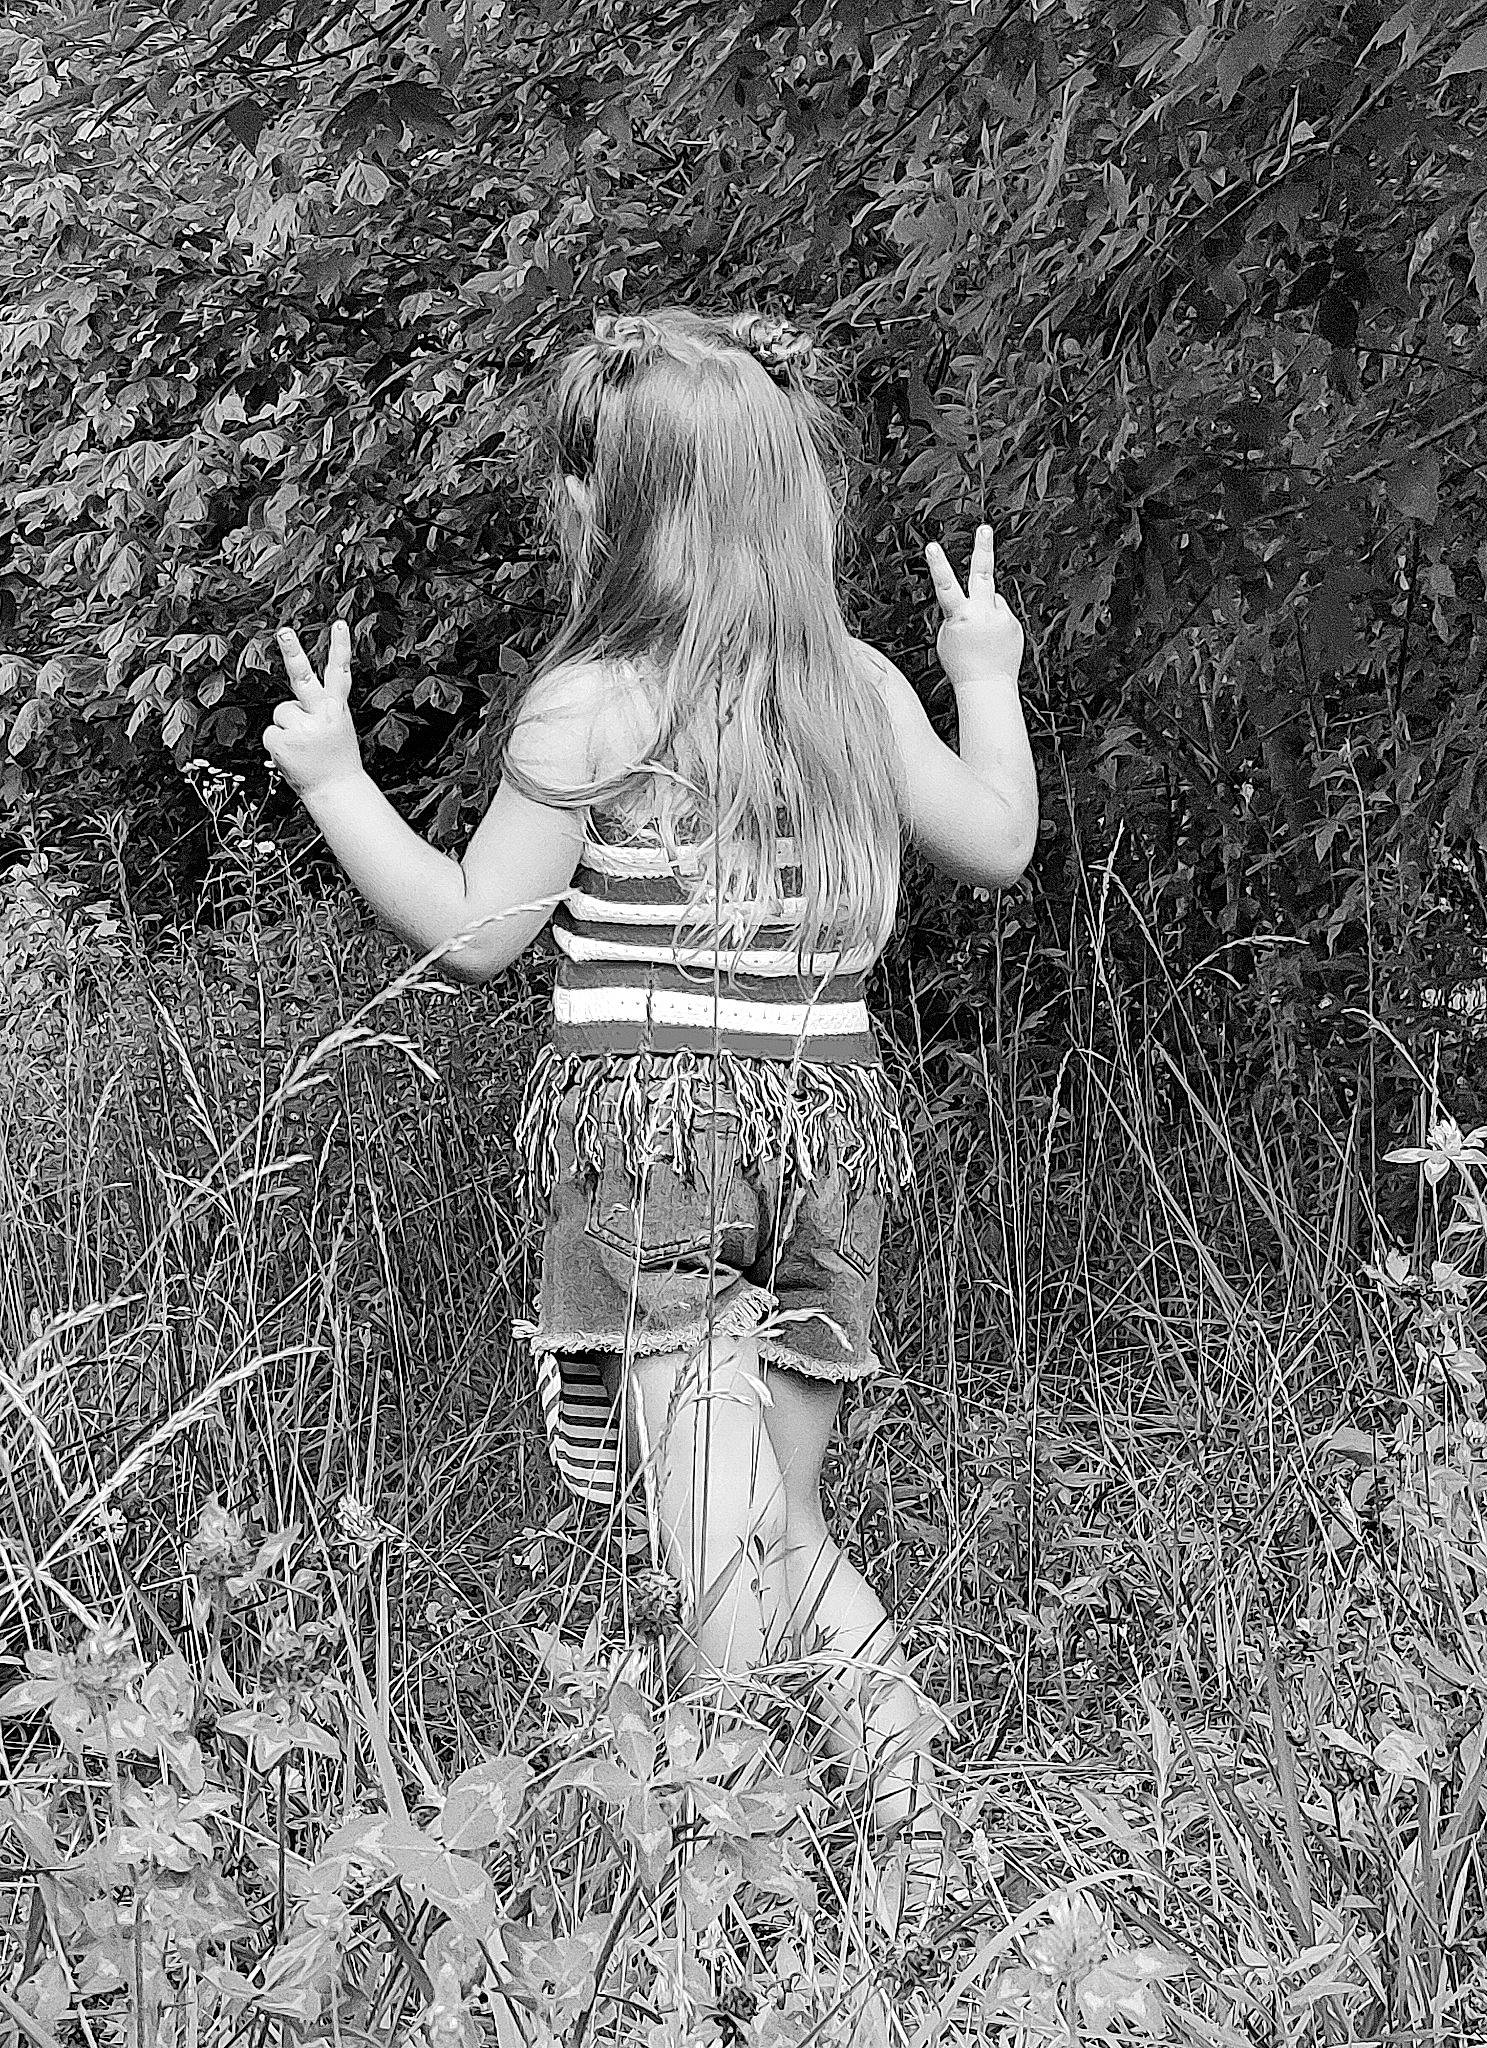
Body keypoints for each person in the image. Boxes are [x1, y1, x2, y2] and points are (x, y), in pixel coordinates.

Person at [263, 306, 1037, 1907]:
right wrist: (986, 674)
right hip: (833, 1140)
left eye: (576, 476)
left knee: (738, 1550)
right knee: (768, 1517)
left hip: (652, 1150)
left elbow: (482, 931)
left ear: (614, 516)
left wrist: (340, 782)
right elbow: (1001, 841)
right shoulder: (862, 688)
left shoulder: (595, 702)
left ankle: (833, 1836)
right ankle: (763, 1837)